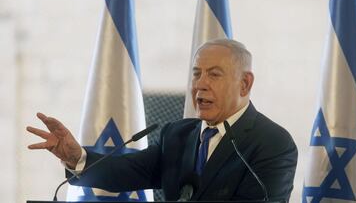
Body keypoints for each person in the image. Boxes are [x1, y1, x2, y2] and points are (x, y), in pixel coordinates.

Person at [27, 39, 297, 202]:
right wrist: (77, 158)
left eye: (214, 74)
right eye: (196, 74)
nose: (200, 85)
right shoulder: (178, 134)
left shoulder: (272, 143)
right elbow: (128, 171)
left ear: (245, 83)